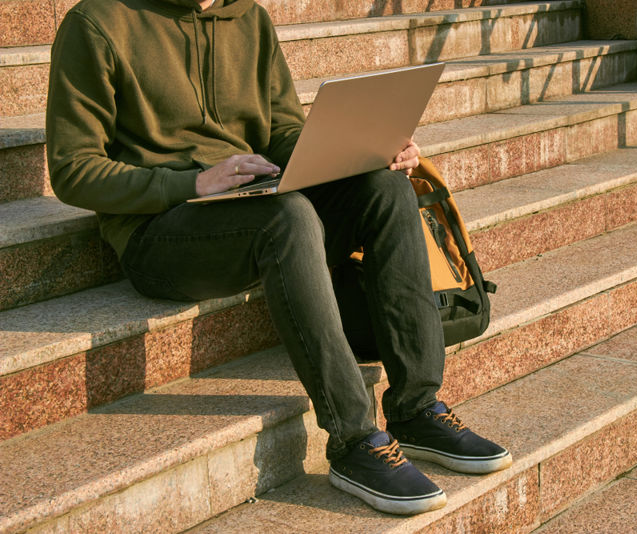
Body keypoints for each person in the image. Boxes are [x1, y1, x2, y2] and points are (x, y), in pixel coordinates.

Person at [46, 0, 511, 516]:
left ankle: (416, 408)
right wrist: (192, 181)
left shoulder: (249, 18)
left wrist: (366, 150)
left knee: (386, 190)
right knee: (289, 218)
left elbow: (284, 134)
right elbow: (73, 169)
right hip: (158, 232)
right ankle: (354, 439)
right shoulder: (98, 22)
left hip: (249, 200)